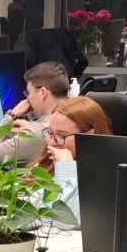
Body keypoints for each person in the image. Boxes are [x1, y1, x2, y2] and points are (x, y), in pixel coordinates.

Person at [32, 95, 112, 225]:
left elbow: (62, 222)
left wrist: (65, 168)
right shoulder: (50, 161)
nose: (51, 143)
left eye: (61, 135)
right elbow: (24, 204)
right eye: (50, 133)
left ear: (89, 135)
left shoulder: (105, 175)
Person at [0, 61, 70, 165]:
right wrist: (31, 126)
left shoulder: (38, 132)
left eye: (28, 92)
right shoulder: (75, 116)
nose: (28, 98)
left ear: (43, 92)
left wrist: (11, 115)